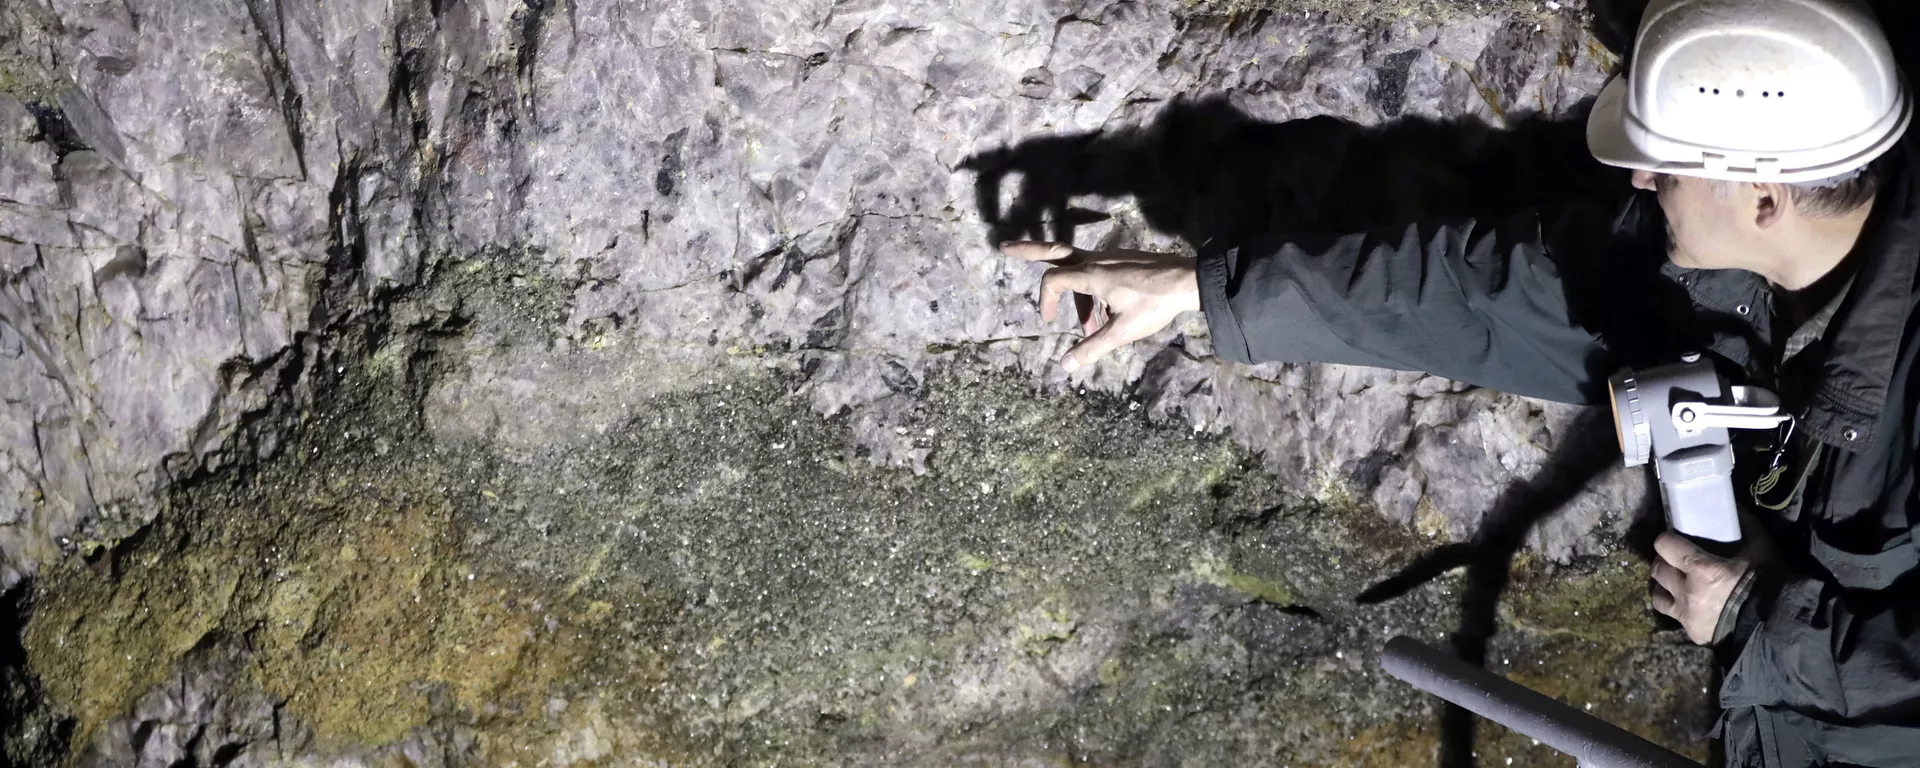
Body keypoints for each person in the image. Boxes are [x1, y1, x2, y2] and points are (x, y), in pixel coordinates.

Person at [1001, 0, 1920, 765]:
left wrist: (1763, 620)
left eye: (1665, 163)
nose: (1636, 177)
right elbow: (1485, 296)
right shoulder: (1723, 269)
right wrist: (1197, 288)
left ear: (1766, 199)